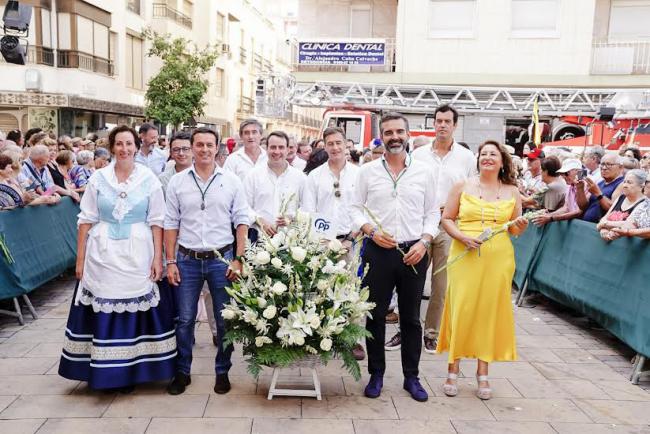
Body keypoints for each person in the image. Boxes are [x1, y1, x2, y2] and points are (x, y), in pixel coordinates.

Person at [58, 125, 176, 392]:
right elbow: (85, 220)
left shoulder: (149, 178)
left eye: (129, 144)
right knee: (104, 302)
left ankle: (133, 372)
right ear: (112, 147)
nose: (124, 149)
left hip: (138, 251)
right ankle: (105, 373)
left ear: (137, 146)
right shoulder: (99, 178)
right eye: (119, 144)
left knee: (136, 304)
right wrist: (80, 260)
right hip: (103, 252)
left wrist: (159, 258)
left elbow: (157, 221)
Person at [350, 112, 439, 402]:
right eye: (388, 133)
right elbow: (354, 208)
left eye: (399, 131)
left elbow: (431, 213)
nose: (394, 137)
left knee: (411, 319)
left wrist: (425, 242)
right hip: (378, 250)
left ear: (408, 134)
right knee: (375, 315)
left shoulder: (424, 172)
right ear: (381, 137)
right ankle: (376, 374)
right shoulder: (367, 172)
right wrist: (369, 230)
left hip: (414, 251)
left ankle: (411, 378)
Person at [437, 140, 529, 400]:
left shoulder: (512, 191)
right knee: (462, 308)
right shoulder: (462, 186)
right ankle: (452, 369)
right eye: (483, 154)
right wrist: (463, 238)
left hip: (498, 258)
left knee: (489, 312)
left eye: (493, 154)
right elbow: (446, 218)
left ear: (502, 161)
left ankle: (483, 372)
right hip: (465, 255)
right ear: (478, 159)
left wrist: (522, 223)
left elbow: (515, 229)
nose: (487, 157)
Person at [164, 127, 251, 395]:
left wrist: (238, 259)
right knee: (185, 319)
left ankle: (222, 371)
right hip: (187, 259)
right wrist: (170, 261)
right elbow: (170, 223)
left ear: (217, 148)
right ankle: (182, 371)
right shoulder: (177, 182)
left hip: (221, 259)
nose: (204, 150)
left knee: (225, 320)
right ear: (191, 148)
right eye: (198, 145)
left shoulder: (232, 180)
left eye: (209, 145)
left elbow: (242, 221)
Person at [408, 104, 476, 354]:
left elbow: (470, 191)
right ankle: (408, 330)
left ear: (455, 125)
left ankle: (432, 333)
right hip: (419, 226)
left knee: (441, 284)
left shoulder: (467, 158)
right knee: (411, 281)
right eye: (438, 120)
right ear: (433, 123)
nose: (443, 125)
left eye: (448, 121)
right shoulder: (418, 155)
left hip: (449, 226)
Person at [302, 127, 363, 360]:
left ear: (346, 144)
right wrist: (325, 241)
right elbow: (309, 211)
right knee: (321, 290)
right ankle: (322, 337)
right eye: (330, 143)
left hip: (351, 241)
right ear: (324, 146)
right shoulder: (315, 177)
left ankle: (353, 339)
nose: (335, 147)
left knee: (351, 290)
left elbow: (363, 209)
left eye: (339, 143)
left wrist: (349, 239)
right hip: (323, 242)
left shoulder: (359, 174)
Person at [243, 131, 306, 237]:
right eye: (273, 147)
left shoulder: (300, 178)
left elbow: (306, 208)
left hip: (291, 241)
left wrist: (292, 218)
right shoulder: (253, 175)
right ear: (266, 149)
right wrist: (259, 220)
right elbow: (244, 206)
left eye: (281, 147)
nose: (277, 151)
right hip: (259, 239)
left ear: (287, 150)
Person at [597, 169, 647, 241]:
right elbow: (604, 218)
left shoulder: (644, 203)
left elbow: (629, 225)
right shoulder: (621, 197)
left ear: (641, 186)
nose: (625, 185)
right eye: (624, 182)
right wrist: (603, 229)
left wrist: (604, 224)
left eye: (629, 183)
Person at [532, 158, 584, 226]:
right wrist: (549, 215)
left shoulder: (585, 186)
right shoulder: (569, 186)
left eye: (566, 173)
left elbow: (578, 211)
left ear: (577, 171)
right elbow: (566, 208)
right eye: (562, 173)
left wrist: (551, 217)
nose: (563, 176)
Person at [578, 153, 625, 223]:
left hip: (600, 229)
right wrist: (580, 188)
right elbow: (583, 207)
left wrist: (598, 193)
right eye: (602, 164)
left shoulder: (622, 184)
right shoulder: (600, 183)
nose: (604, 168)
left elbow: (613, 209)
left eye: (609, 164)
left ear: (620, 167)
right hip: (587, 225)